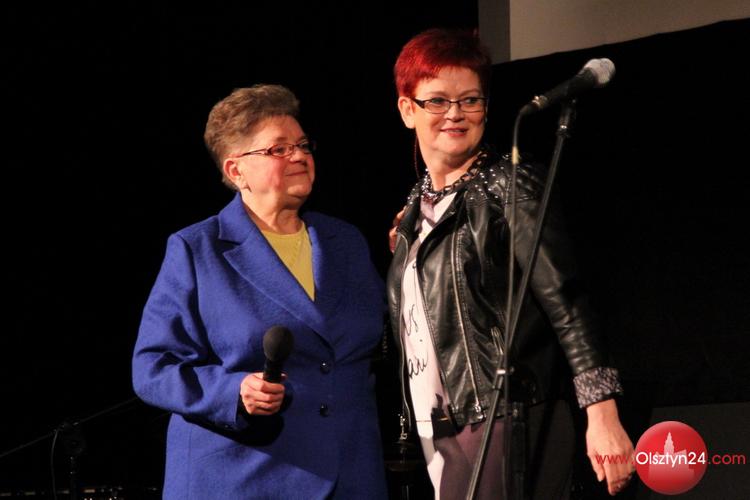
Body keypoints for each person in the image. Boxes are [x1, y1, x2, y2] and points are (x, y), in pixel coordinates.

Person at [386, 28, 635, 499]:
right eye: (437, 101)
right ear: (407, 110)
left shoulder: (509, 186)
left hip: (506, 416)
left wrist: (601, 411)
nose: (455, 113)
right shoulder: (418, 208)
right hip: (438, 423)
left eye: (470, 99)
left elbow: (567, 301)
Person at [132, 84, 387, 499]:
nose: (299, 156)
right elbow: (152, 368)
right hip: (245, 478)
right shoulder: (198, 249)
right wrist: (233, 392)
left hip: (350, 475)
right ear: (236, 171)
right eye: (278, 149)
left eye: (302, 145)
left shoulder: (346, 242)